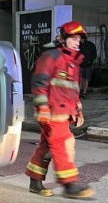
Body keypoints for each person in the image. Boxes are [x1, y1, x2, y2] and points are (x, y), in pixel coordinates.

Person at [25, 21, 95, 199]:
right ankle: (69, 185)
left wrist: (78, 110)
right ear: (63, 39)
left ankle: (35, 181)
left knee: (47, 147)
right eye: (73, 38)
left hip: (64, 113)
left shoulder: (71, 62)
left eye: (79, 38)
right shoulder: (51, 57)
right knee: (64, 144)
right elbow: (39, 84)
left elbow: (71, 90)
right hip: (51, 112)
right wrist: (42, 108)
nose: (77, 41)